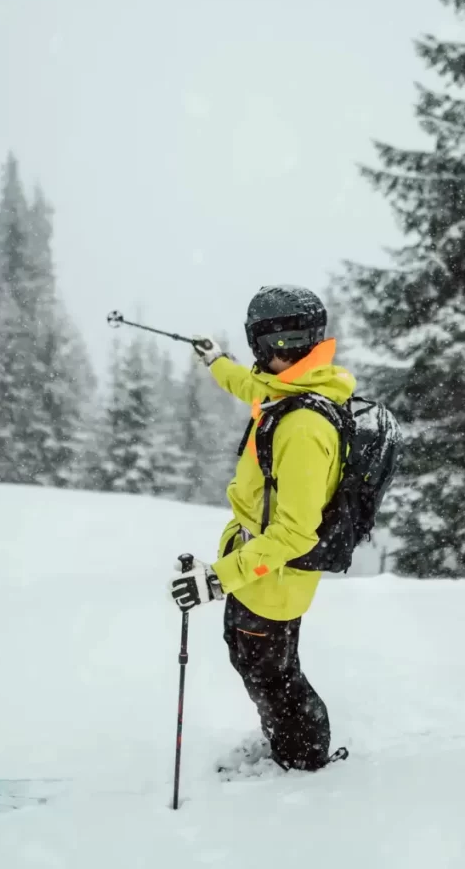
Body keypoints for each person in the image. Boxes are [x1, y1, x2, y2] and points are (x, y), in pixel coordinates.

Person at [169, 285, 356, 772]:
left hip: (272, 578)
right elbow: (254, 387)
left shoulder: (303, 426)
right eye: (278, 341)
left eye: (295, 340)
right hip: (262, 570)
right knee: (268, 664)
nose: (285, 350)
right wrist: (217, 362)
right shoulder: (297, 387)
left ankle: (303, 760)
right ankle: (290, 742)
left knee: (268, 671)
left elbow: (296, 535)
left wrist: (216, 580)